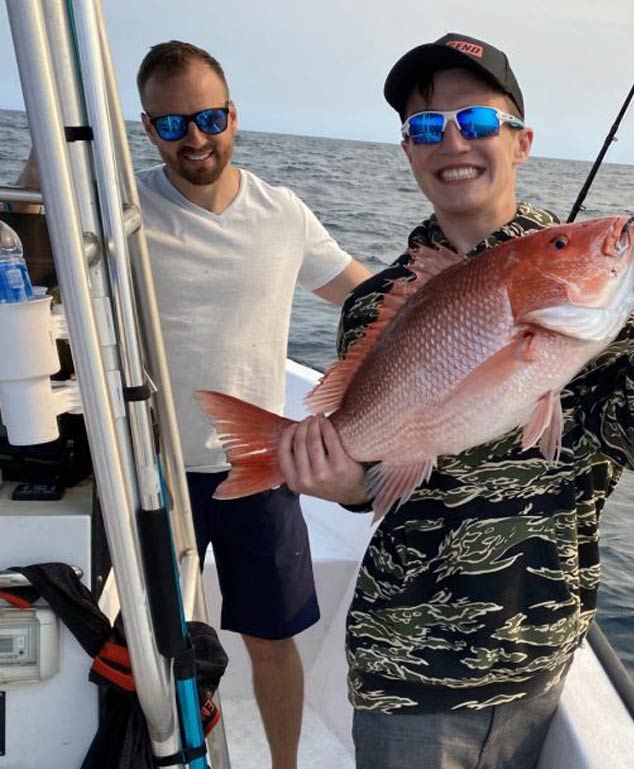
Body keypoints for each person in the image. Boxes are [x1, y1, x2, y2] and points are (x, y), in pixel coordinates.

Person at [277, 33, 634, 769]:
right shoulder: (377, 304)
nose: (452, 140)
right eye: (427, 127)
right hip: (409, 669)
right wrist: (342, 483)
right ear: (409, 152)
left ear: (520, 142)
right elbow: (376, 473)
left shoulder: (606, 291)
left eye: (478, 122)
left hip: (541, 661)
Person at [16, 40, 372, 769]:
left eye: (208, 117)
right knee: (136, 642)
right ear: (147, 130)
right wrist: (47, 152)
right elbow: (28, 254)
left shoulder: (284, 213)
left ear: (233, 113)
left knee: (272, 640)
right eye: (172, 124)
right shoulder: (118, 212)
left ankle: (283, 765)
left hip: (261, 469)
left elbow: (368, 302)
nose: (196, 138)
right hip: (146, 470)